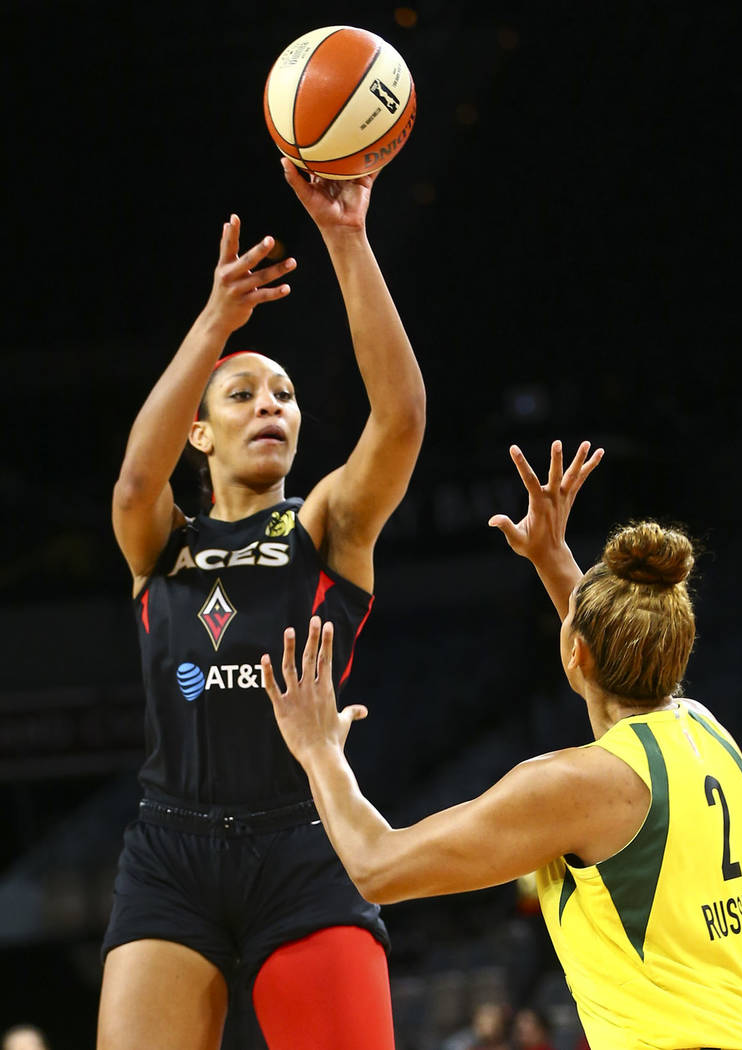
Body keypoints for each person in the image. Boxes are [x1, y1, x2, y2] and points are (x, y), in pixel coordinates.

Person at [263, 439, 742, 1050]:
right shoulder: (710, 733)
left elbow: (378, 867)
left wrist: (319, 750)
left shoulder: (578, 786)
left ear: (576, 654)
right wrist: (551, 556)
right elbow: (614, 650)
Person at [99, 156, 425, 1050]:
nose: (271, 407)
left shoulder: (326, 524)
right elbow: (135, 478)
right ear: (198, 433)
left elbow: (398, 419)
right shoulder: (160, 541)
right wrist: (215, 324)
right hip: (170, 852)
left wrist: (346, 237)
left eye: (283, 395)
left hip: (304, 848)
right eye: (242, 396)